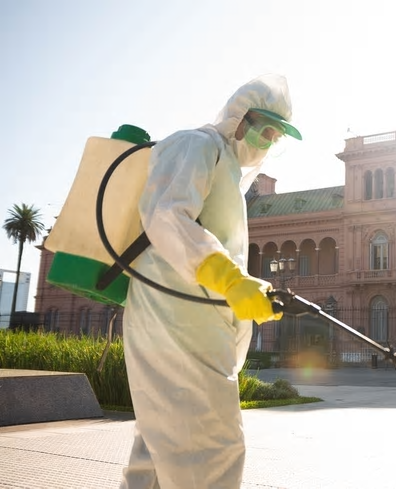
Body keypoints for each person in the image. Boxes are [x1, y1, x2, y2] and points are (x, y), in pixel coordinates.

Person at [120, 74, 302, 489]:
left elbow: (218, 250)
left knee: (157, 455)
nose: (268, 142)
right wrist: (232, 281)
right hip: (176, 324)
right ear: (239, 118)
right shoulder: (197, 145)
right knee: (210, 452)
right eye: (265, 129)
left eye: (276, 137)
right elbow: (167, 215)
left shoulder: (231, 176)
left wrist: (245, 293)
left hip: (192, 327)